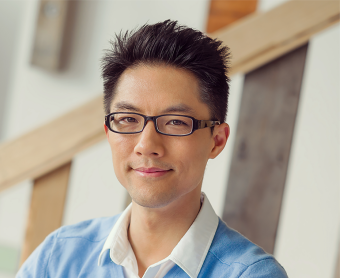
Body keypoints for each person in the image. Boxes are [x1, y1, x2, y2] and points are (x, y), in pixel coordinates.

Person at [17, 20, 288, 278]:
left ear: (216, 140)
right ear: (108, 132)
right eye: (127, 119)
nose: (146, 145)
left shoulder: (249, 274)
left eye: (175, 122)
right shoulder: (60, 257)